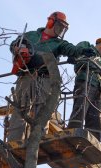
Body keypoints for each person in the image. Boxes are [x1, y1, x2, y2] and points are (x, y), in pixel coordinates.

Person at [7, 11, 96, 141]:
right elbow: (14, 44)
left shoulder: (59, 43)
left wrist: (82, 51)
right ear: (50, 22)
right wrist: (16, 48)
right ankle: (13, 142)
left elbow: (72, 49)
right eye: (59, 27)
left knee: (42, 112)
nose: (60, 31)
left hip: (46, 78)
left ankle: (39, 140)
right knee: (20, 111)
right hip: (26, 75)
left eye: (63, 29)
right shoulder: (30, 35)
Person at [67, 37, 101, 141]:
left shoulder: (100, 62)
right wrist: (86, 58)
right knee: (80, 108)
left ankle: (93, 141)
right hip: (85, 81)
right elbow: (78, 58)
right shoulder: (86, 46)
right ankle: (73, 133)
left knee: (96, 118)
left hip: (98, 88)